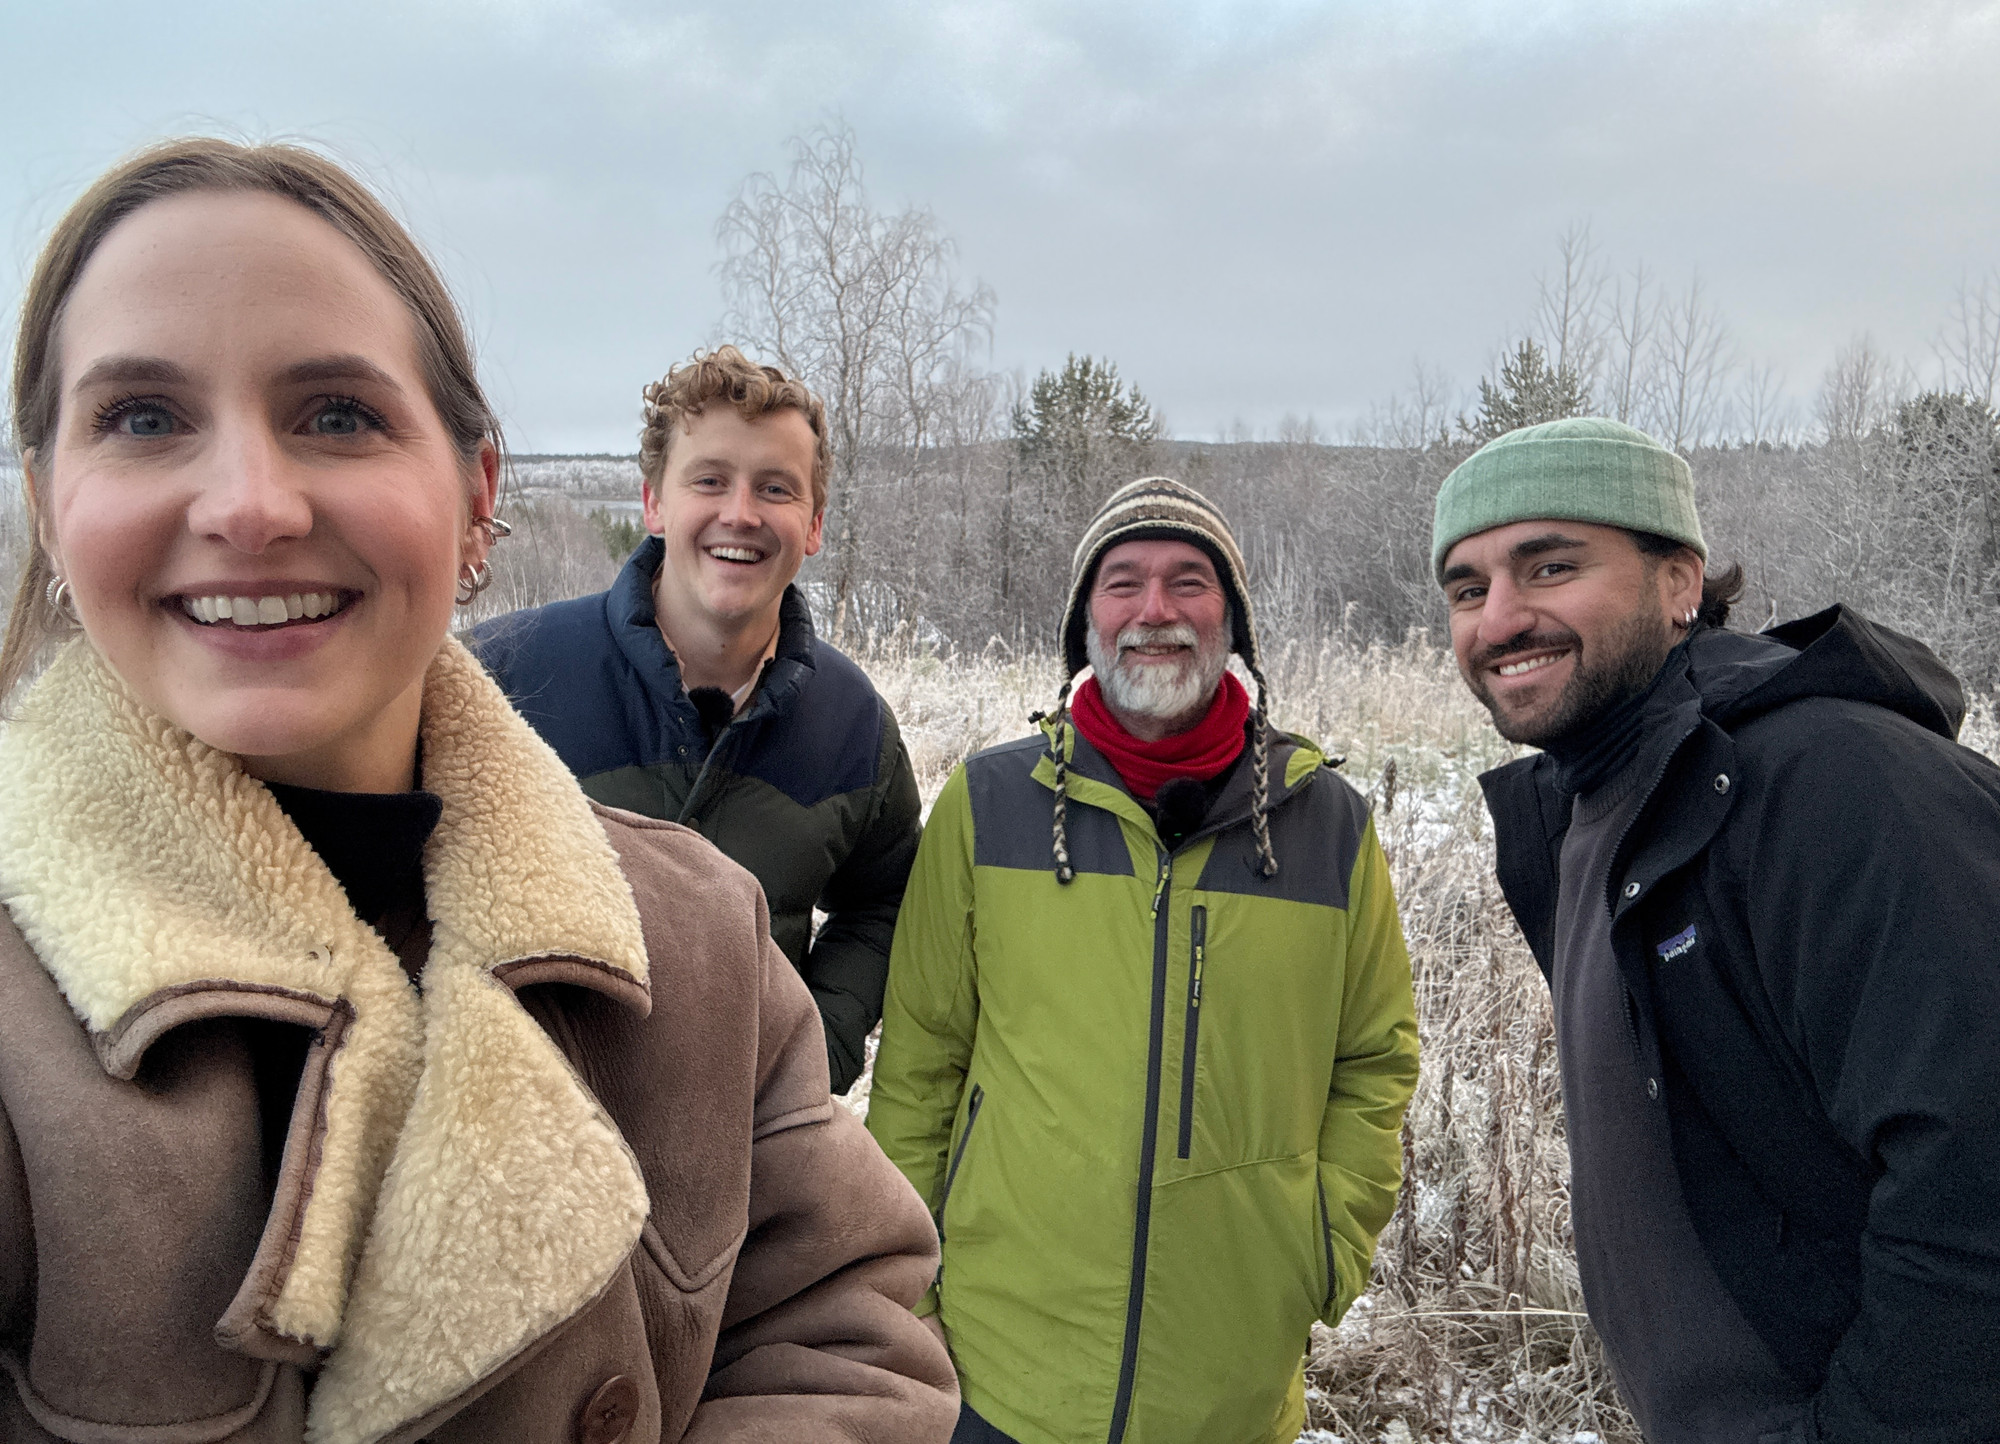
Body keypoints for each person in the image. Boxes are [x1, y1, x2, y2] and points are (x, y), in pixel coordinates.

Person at [0, 138, 956, 1443]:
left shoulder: (714, 927)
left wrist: (808, 1038)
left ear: (476, 493)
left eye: (335, 413)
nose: (251, 503)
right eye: (143, 417)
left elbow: (848, 1323)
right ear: (50, 503)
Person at [1433, 417, 2000, 1442]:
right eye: (1467, 589)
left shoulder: (1833, 783)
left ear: (1677, 581)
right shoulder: (1586, 813)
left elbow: (1974, 1173)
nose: (1501, 618)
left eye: (1549, 566)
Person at [868, 478, 1419, 1444]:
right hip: (999, 1375)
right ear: (1085, 622)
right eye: (1122, 583)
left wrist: (1322, 1250)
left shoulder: (1326, 825)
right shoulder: (988, 805)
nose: (1154, 611)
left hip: (1228, 1389)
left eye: (1189, 582)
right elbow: (921, 1063)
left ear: (1233, 621)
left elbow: (1374, 1059)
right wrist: (903, 1291)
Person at [471, 346, 920, 1093]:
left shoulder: (852, 724)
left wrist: (816, 1046)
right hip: (529, 1158)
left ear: (813, 524)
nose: (739, 514)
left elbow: (886, 896)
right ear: (654, 504)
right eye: (709, 480)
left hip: (748, 1172)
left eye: (775, 488)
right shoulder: (508, 675)